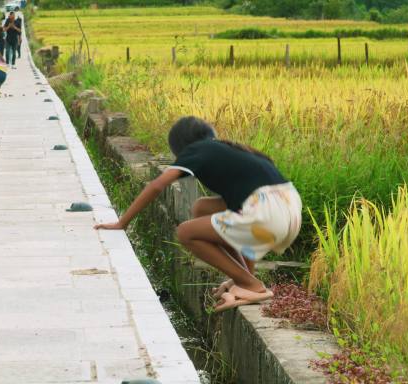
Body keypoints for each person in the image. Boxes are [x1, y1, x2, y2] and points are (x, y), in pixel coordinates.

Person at [95, 117, 302, 312]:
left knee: (186, 233)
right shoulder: (232, 150)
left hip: (267, 215)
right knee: (202, 208)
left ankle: (252, 285)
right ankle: (244, 277)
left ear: (181, 146)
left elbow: (157, 185)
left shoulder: (197, 149)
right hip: (288, 214)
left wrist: (122, 222)